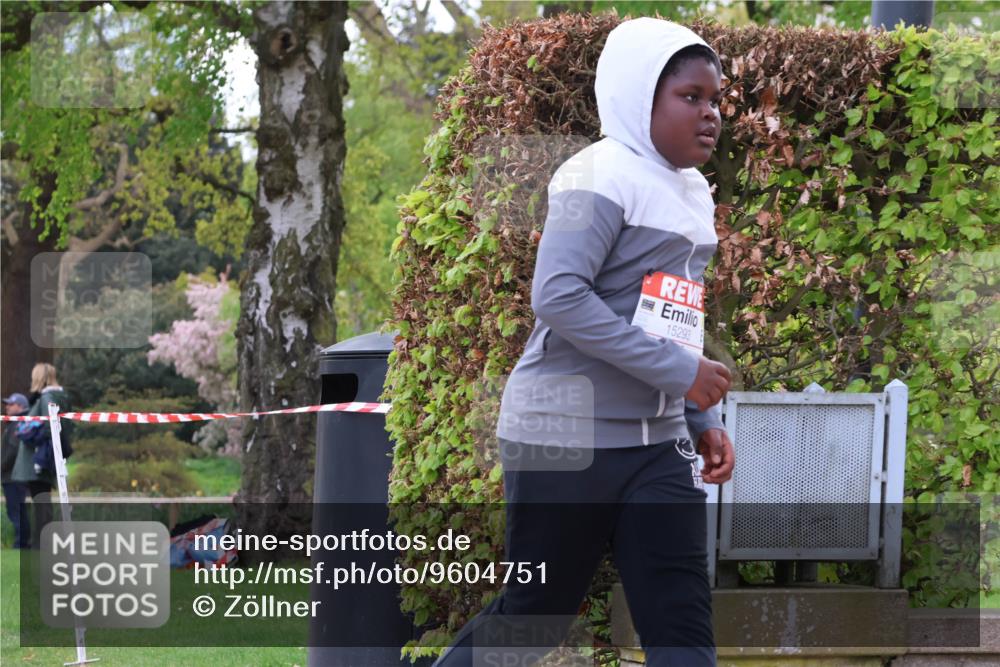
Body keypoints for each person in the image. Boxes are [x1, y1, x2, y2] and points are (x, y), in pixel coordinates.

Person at [433, 18, 734, 667]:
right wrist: (683, 374)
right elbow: (559, 296)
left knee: (681, 626)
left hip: (655, 447)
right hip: (563, 438)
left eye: (715, 100)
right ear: (636, 96)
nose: (710, 114)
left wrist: (698, 415)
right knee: (533, 621)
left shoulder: (694, 193)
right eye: (691, 97)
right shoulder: (590, 175)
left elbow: (670, 317)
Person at [11, 363, 73, 550]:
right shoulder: (56, 397)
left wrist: (28, 436)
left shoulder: (47, 398)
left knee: (41, 507)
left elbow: (49, 428)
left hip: (39, 460)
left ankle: (42, 546)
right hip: (45, 458)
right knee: (42, 505)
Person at [2, 393, 32, 548]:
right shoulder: (15, 423)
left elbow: (13, 451)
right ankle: (23, 543)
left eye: (10, 404)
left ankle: (21, 544)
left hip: (13, 476)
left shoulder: (17, 424)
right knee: (17, 511)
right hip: (14, 475)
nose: (7, 406)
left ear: (20, 406)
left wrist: (1, 466)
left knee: (15, 511)